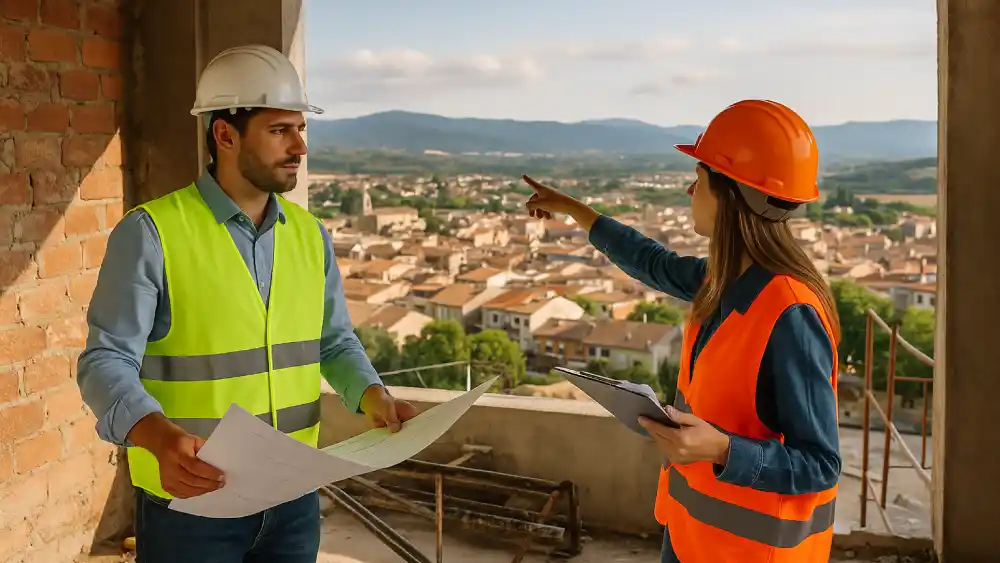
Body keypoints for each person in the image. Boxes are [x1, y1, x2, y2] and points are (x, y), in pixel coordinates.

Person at [76, 44, 418, 563]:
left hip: (293, 500)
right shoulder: (152, 234)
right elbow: (104, 363)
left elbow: (334, 340)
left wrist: (372, 395)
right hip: (192, 506)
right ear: (225, 134)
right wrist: (159, 438)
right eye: (280, 130)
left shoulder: (310, 237)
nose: (300, 146)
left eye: (302, 129)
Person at [523, 99, 841, 563]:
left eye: (701, 178)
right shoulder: (723, 279)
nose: (691, 190)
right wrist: (575, 210)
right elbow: (651, 262)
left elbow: (821, 465)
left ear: (732, 194)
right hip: (693, 537)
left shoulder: (790, 314)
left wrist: (721, 449)